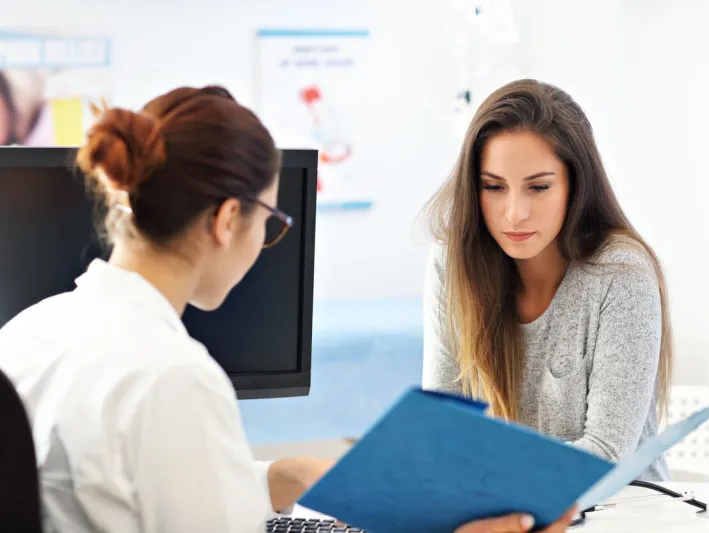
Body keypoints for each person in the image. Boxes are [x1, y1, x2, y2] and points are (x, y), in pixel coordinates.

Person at [0, 85, 573, 533]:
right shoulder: (173, 379)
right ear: (227, 220)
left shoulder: (27, 332)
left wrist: (282, 476)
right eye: (270, 223)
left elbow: (127, 488)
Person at [421, 78, 673, 481]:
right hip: (500, 508)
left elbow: (603, 455)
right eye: (493, 187)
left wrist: (476, 466)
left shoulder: (621, 274)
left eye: (538, 187)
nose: (515, 212)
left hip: (616, 513)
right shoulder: (452, 265)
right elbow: (442, 428)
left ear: (576, 184)